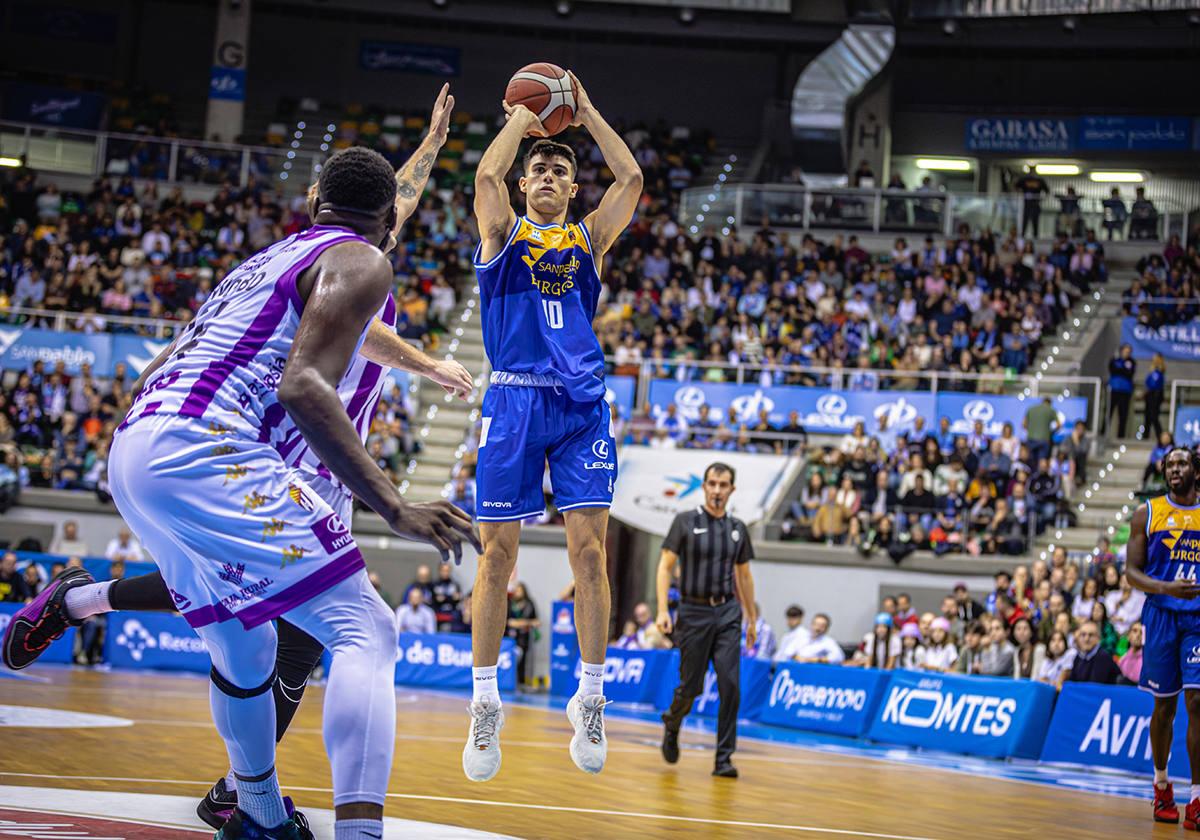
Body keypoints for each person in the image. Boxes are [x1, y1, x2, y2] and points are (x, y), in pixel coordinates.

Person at [1, 91, 480, 837]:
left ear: (315, 199)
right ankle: (354, 830)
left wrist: (431, 140)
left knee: (245, 637)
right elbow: (305, 381)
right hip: (245, 448)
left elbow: (171, 357)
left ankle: (251, 807)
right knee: (362, 630)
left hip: (144, 441)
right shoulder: (358, 266)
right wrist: (397, 502)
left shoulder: (264, 262)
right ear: (384, 225)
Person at [466, 71, 641, 781]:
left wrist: (587, 111)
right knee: (496, 558)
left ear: (572, 189)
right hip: (511, 399)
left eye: (558, 169)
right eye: (537, 166)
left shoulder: (590, 239)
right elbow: (485, 174)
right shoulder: (501, 230)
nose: (544, 172)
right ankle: (484, 707)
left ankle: (590, 698)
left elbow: (627, 176)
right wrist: (522, 118)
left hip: (578, 404)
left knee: (591, 556)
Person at [656, 462, 757, 779]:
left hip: (727, 613)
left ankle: (723, 759)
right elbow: (664, 567)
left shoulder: (738, 528)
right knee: (691, 688)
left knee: (730, 685)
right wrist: (662, 609)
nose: (717, 490)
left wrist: (751, 618)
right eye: (712, 484)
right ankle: (673, 723)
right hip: (693, 613)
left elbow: (744, 576)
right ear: (704, 486)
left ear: (731, 490)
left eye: (723, 485)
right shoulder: (685, 522)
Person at [1123, 446, 1200, 827]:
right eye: (1170, 464)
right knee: (1164, 708)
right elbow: (1131, 573)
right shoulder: (1147, 512)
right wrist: (1166, 588)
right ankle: (1161, 786)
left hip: (1198, 620)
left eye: (1182, 463)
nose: (1174, 468)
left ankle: (1197, 799)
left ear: (1195, 471)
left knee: (1198, 701)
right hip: (1161, 616)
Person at [506, 582, 539, 686]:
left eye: (520, 590)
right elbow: (509, 621)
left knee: (524, 661)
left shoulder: (529, 603)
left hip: (524, 638)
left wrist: (522, 623)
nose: (517, 592)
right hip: (510, 638)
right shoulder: (510, 603)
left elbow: (536, 621)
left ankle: (522, 682)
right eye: (516, 590)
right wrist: (525, 623)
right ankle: (510, 681)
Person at [1108, 344, 1136, 439]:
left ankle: (1121, 436)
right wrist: (1122, 370)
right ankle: (1103, 432)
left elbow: (1129, 373)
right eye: (1125, 351)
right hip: (1114, 390)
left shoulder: (1131, 362)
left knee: (1123, 415)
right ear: (1121, 351)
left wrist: (1120, 369)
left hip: (1125, 392)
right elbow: (1112, 370)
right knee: (1108, 412)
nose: (1127, 353)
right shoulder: (1114, 360)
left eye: (1129, 352)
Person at [1023, 396, 1058, 468]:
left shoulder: (1031, 409)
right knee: (1042, 462)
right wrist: (1051, 433)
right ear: (1050, 403)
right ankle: (1040, 478)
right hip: (1044, 440)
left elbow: (1024, 424)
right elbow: (1059, 425)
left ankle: (1031, 476)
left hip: (1031, 439)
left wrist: (1031, 431)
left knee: (1031, 461)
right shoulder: (1051, 410)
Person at [1144, 353, 1166, 442]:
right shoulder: (1152, 371)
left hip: (1157, 394)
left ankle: (1160, 436)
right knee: (1147, 416)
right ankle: (1145, 436)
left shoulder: (1160, 371)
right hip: (1150, 394)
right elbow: (1148, 383)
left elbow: (1157, 383)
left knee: (1154, 416)